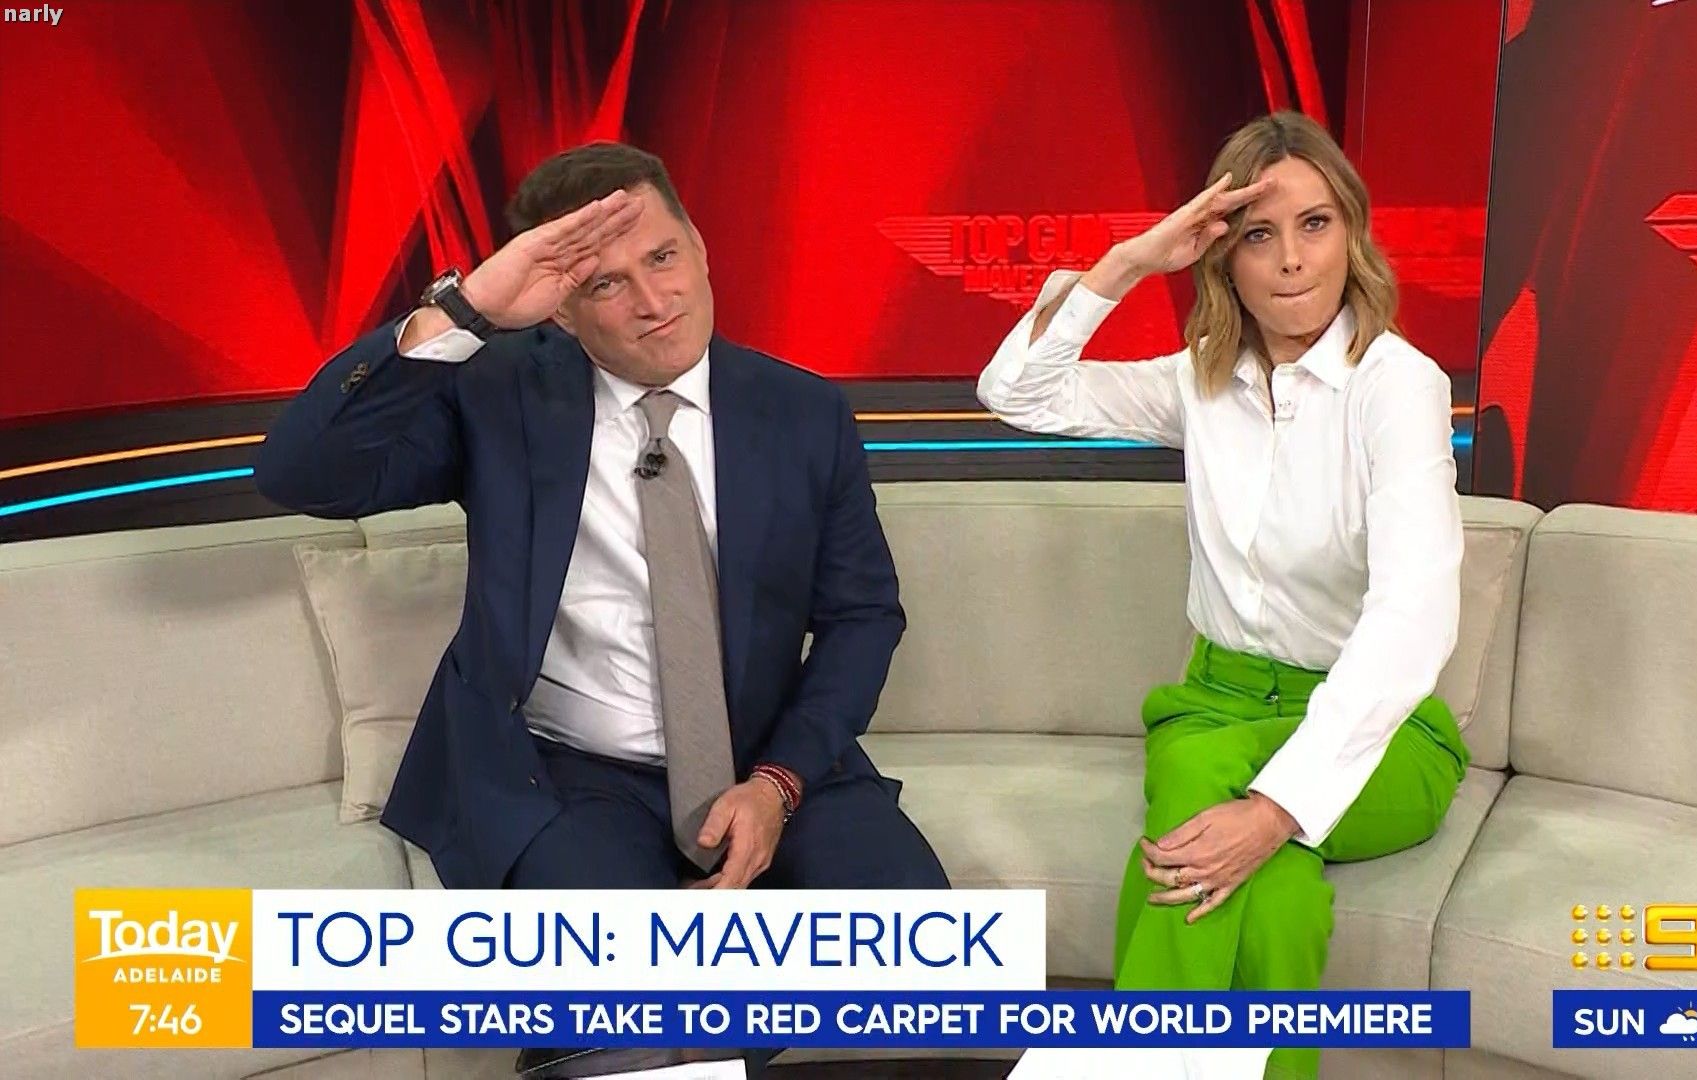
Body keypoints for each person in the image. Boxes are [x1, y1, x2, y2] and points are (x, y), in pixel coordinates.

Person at [255, 142, 950, 1077]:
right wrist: (465, 310)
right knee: (640, 1033)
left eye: (663, 257)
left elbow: (863, 615)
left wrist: (778, 783)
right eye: (607, 284)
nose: (654, 300)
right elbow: (301, 473)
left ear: (701, 248)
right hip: (566, 774)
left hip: (771, 758)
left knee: (930, 992)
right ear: (561, 309)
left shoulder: (803, 412)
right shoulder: (501, 393)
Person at [981, 111, 1470, 1079]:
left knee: (1197, 811)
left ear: (1352, 233)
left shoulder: (1396, 385)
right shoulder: (1201, 382)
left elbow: (1413, 614)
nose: (1291, 259)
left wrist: (1279, 808)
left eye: (1315, 224)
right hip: (1214, 702)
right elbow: (1018, 393)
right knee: (1277, 904)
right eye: (1258, 235)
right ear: (1223, 259)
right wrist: (1128, 263)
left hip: (1380, 736)